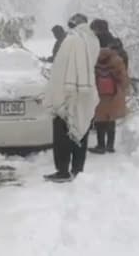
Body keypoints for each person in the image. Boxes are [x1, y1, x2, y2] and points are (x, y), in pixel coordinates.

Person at [43, 13, 101, 182]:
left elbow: (60, 68)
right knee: (81, 129)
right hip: (87, 91)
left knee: (62, 133)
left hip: (67, 93)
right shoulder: (93, 40)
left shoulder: (72, 40)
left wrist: (56, 89)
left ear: (73, 24)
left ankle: (62, 170)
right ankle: (78, 169)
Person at [89, 20, 130, 154]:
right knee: (110, 117)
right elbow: (124, 70)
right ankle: (110, 145)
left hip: (99, 90)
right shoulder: (116, 49)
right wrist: (123, 87)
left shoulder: (94, 47)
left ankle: (100, 146)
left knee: (100, 117)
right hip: (114, 89)